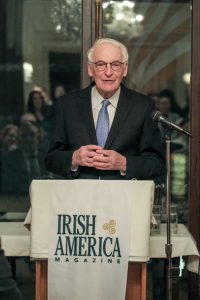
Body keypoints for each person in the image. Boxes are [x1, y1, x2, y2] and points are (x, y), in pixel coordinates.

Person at [45, 38, 165, 182]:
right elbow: (50, 159)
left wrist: (124, 164)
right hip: (79, 200)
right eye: (101, 65)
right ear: (90, 69)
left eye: (115, 65)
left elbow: (156, 164)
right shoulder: (67, 105)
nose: (108, 72)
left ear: (125, 69)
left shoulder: (143, 106)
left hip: (124, 200)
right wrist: (74, 158)